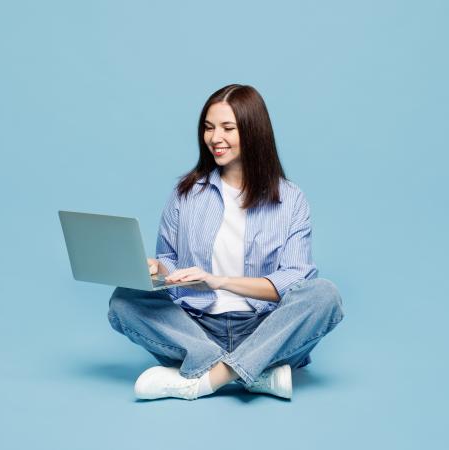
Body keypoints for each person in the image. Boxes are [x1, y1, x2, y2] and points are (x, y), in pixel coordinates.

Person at [107, 84, 344, 401]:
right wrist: (156, 268)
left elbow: (294, 278)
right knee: (124, 300)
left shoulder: (291, 199)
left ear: (253, 131)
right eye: (208, 128)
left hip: (265, 329)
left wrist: (221, 282)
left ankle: (204, 381)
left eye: (227, 128)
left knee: (324, 294)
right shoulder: (186, 193)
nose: (214, 138)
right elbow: (170, 259)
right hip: (196, 331)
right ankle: (255, 373)